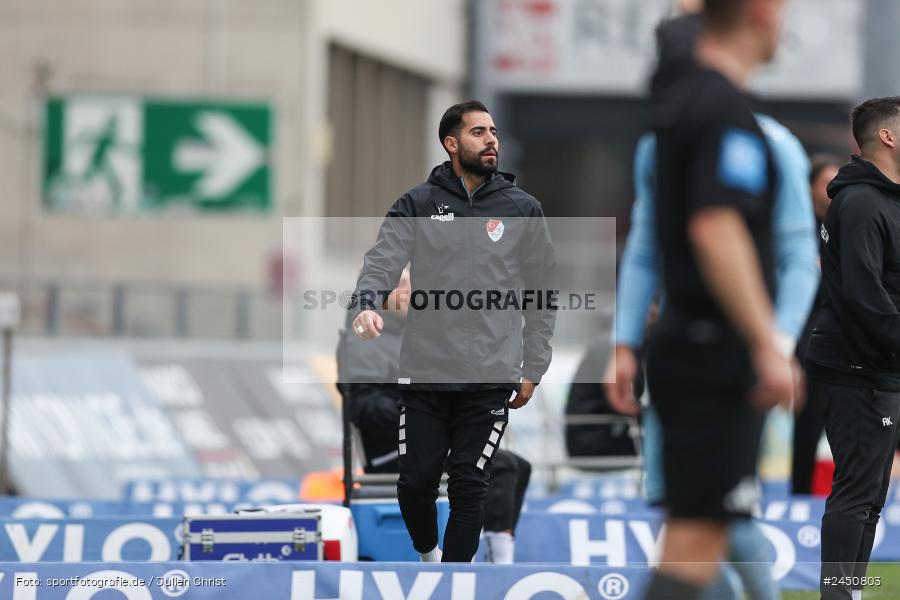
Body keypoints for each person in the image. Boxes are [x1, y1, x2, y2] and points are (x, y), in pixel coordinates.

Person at [605, 5, 817, 599]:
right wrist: (767, 345)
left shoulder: (690, 118)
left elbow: (799, 257)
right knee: (706, 526)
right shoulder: (719, 115)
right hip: (712, 350)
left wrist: (775, 337)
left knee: (701, 528)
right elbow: (707, 232)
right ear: (759, 14)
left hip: (692, 347)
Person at [349, 100, 556, 563]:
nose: (491, 141)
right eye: (478, 132)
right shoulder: (417, 203)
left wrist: (534, 367)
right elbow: (382, 259)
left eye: (493, 132)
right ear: (451, 143)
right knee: (415, 483)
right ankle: (430, 557)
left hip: (490, 376)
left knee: (469, 485)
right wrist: (366, 304)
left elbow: (542, 293)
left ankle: (456, 585)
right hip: (425, 373)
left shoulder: (523, 209)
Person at [336, 271, 533, 563]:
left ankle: (495, 561)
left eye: (412, 282)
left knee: (518, 466)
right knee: (501, 468)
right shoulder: (365, 340)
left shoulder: (417, 334)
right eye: (400, 285)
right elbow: (364, 406)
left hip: (434, 431)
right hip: (391, 451)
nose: (410, 291)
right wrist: (423, 414)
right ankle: (476, 564)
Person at [806, 97, 900, 600]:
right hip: (857, 365)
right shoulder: (863, 202)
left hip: (879, 365)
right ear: (887, 136)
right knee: (857, 493)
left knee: (871, 496)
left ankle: (849, 594)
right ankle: (838, 596)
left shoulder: (885, 200)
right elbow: (866, 296)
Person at [791, 154, 841, 495]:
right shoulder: (796, 230)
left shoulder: (846, 225)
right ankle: (799, 492)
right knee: (807, 421)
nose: (832, 189)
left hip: (844, 336)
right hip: (805, 338)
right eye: (825, 182)